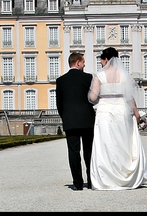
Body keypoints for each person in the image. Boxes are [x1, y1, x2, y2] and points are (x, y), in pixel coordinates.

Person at [88, 47, 147, 190]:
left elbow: (92, 97)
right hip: (122, 110)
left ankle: (107, 178)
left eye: (102, 60)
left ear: (106, 59)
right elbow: (130, 98)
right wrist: (137, 113)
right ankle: (123, 176)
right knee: (122, 142)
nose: (101, 63)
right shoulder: (124, 75)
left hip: (105, 111)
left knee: (105, 144)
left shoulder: (100, 75)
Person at [55, 52, 96, 191]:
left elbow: (59, 104)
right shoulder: (88, 77)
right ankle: (91, 182)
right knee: (89, 151)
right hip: (86, 120)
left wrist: (65, 117)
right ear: (78, 62)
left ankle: (77, 184)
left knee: (73, 152)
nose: (84, 65)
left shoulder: (61, 80)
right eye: (83, 62)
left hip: (70, 121)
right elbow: (92, 99)